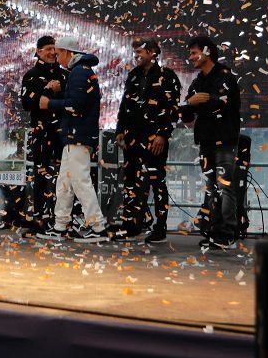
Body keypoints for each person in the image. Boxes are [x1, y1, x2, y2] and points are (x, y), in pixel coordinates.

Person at [36, 36, 109, 243]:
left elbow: (76, 105)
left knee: (80, 181)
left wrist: (49, 104)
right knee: (65, 182)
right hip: (74, 136)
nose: (57, 58)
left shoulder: (79, 72)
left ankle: (97, 226)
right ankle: (61, 225)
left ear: (68, 52)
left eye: (58, 53)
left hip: (78, 136)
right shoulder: (80, 72)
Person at [115, 38, 182, 244]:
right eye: (135, 51)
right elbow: (125, 104)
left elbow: (173, 109)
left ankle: (160, 227)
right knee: (131, 182)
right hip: (132, 138)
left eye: (141, 51)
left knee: (157, 182)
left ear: (153, 52)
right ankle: (130, 225)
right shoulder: (133, 75)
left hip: (155, 139)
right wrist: (120, 130)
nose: (136, 55)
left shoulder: (167, 76)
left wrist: (163, 134)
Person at [178, 36, 241, 250]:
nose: (191, 57)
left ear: (207, 52)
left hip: (224, 140)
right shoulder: (198, 81)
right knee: (211, 187)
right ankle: (215, 231)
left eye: (194, 53)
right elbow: (187, 113)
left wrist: (201, 102)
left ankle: (228, 233)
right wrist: (190, 102)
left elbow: (227, 105)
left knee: (225, 185)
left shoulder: (225, 76)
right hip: (205, 141)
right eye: (190, 53)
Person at [18, 35, 65, 234]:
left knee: (64, 177)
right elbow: (26, 104)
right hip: (40, 133)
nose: (52, 52)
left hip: (62, 134)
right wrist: (47, 90)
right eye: (47, 48)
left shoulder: (65, 74)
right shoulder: (30, 75)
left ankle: (61, 220)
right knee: (40, 176)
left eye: (54, 48)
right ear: (38, 51)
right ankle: (39, 220)